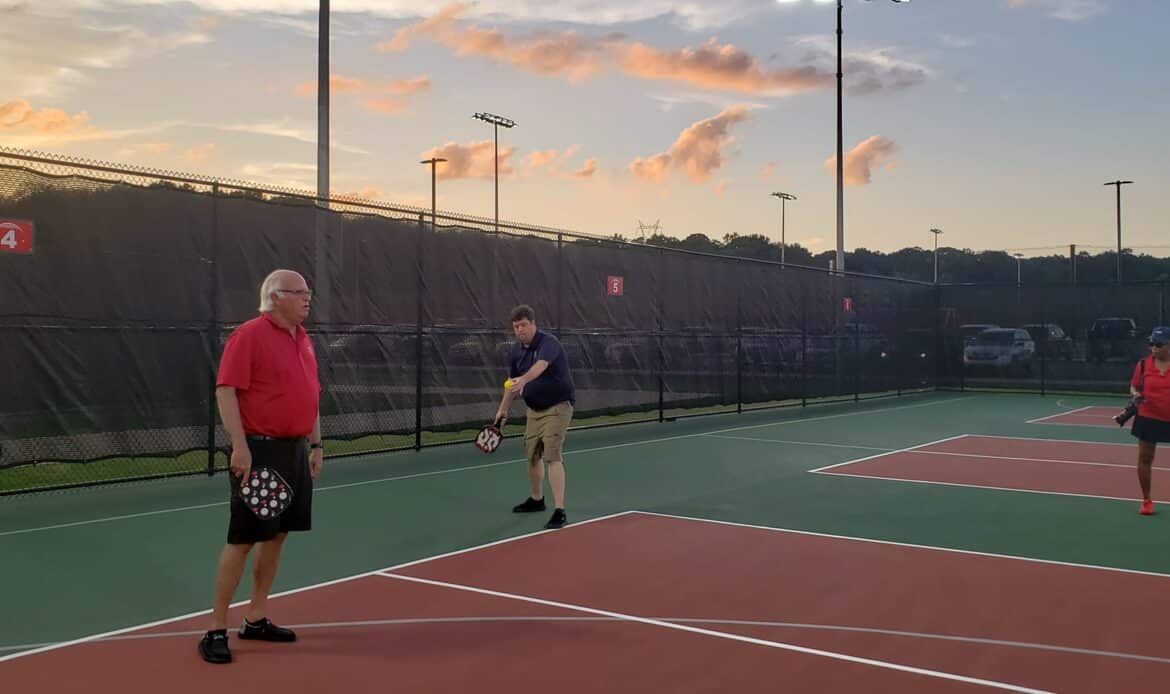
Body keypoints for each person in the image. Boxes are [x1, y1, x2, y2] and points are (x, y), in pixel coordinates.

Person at [198, 269, 324, 664]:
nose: (307, 298)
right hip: (259, 454)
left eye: (308, 291)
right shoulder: (249, 335)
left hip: (295, 452)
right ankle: (215, 628)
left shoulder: (303, 339)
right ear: (275, 297)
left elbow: (311, 395)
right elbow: (226, 390)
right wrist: (240, 446)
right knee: (243, 539)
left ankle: (255, 618)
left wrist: (316, 444)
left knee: (279, 535)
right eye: (299, 292)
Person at [496, 305, 575, 530]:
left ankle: (560, 510)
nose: (519, 330)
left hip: (558, 407)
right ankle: (537, 499)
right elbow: (511, 383)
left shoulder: (548, 343)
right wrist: (502, 410)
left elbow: (540, 367)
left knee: (552, 454)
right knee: (532, 455)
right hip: (534, 411)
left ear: (533, 324)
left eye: (523, 325)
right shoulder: (516, 351)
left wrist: (524, 379)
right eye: (516, 327)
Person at [1131, 326, 1170, 516]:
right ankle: (1146, 500)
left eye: (1158, 344)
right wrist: (1136, 394)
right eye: (1151, 343)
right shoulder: (1143, 364)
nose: (1153, 347)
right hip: (1148, 417)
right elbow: (1134, 386)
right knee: (1145, 459)